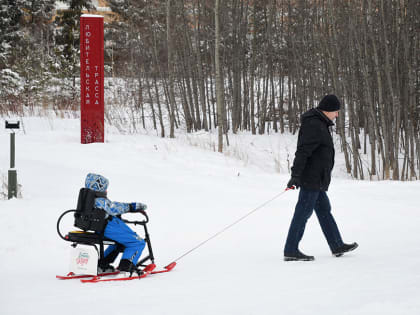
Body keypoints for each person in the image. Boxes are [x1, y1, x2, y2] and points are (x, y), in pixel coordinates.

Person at [284, 95, 358, 261]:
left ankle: (337, 244)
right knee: (302, 213)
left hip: (318, 178)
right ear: (329, 110)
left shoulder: (320, 123)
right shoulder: (314, 125)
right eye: (336, 112)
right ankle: (291, 249)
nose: (337, 115)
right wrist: (295, 175)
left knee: (324, 210)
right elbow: (303, 152)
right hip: (311, 178)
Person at [84, 173, 147, 275]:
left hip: (100, 226)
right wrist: (132, 207)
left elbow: (109, 208)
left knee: (118, 243)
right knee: (137, 242)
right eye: (104, 188)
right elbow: (113, 207)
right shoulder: (99, 200)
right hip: (109, 227)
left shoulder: (89, 198)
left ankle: (102, 265)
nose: (106, 191)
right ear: (98, 187)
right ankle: (126, 268)